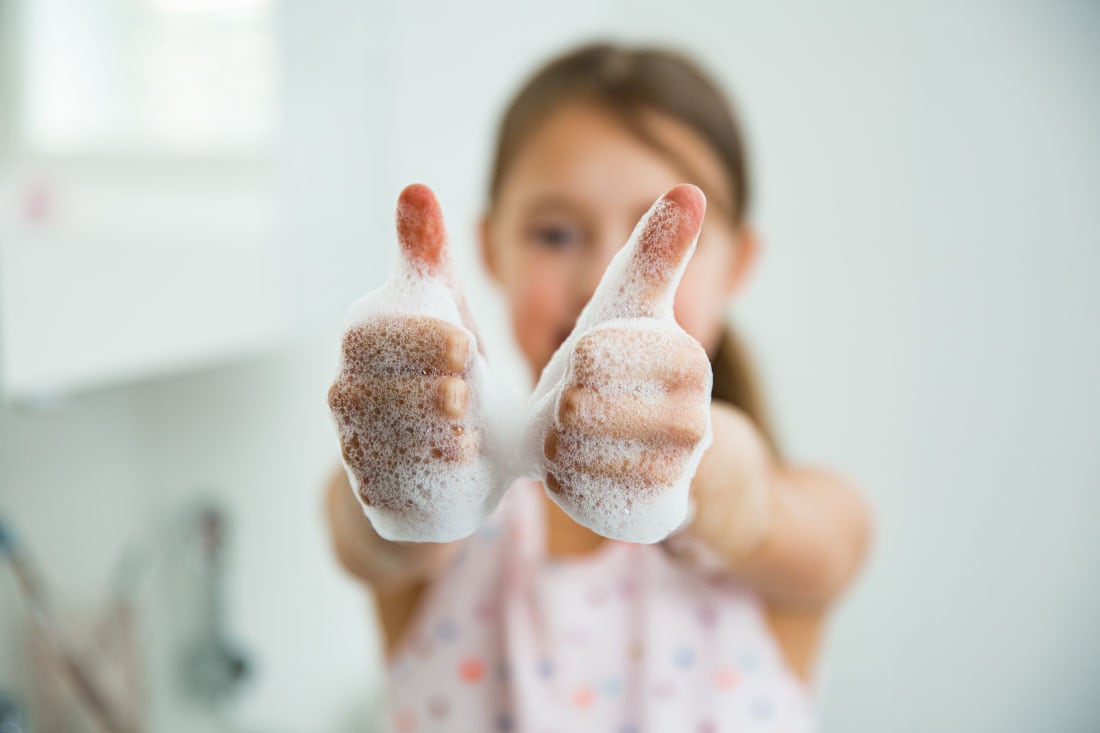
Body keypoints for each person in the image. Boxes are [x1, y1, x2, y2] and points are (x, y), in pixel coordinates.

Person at [324, 42, 871, 732]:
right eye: (555, 233)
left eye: (660, 240)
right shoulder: (448, 529)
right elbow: (366, 536)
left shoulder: (809, 520)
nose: (597, 283)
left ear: (738, 267)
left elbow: (769, 513)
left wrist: (703, 471)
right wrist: (406, 462)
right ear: (492, 248)